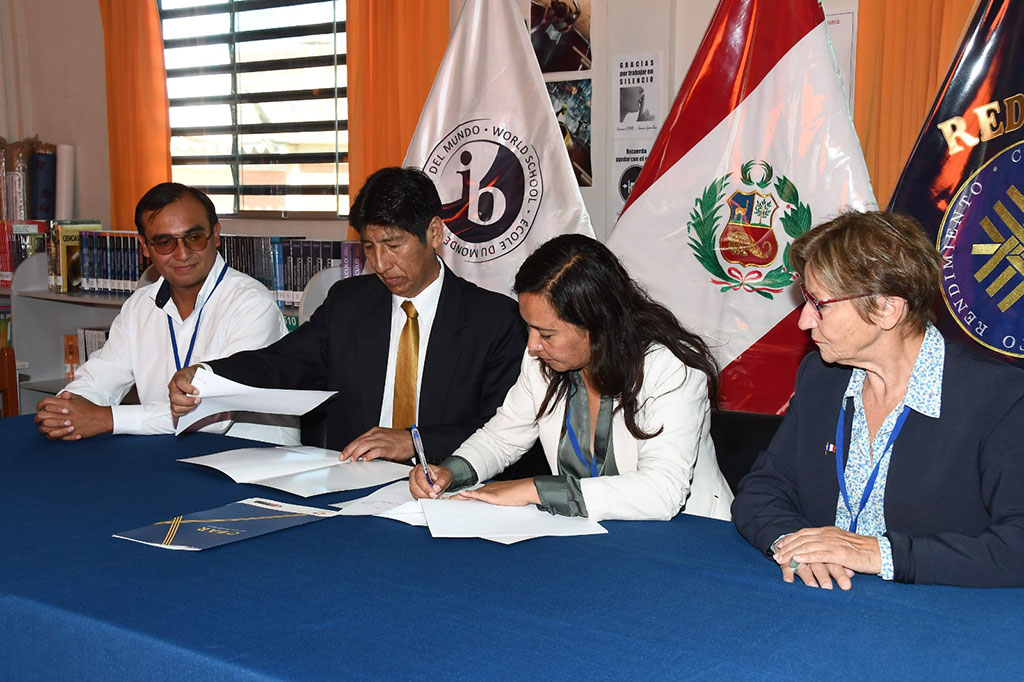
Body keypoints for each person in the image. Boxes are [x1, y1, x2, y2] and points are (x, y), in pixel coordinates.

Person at [732, 211, 1024, 588]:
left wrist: (876, 554)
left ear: (888, 309)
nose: (804, 320)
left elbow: (1017, 544)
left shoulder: (998, 398)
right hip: (820, 604)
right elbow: (761, 490)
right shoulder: (821, 378)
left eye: (821, 304)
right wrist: (799, 547)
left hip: (941, 624)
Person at [168, 166, 530, 465]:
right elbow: (283, 362)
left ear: (434, 232)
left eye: (393, 245)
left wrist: (413, 441)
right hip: (351, 480)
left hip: (445, 482)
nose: (381, 263)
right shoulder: (348, 303)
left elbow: (504, 427)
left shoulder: (495, 320)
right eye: (369, 247)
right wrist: (211, 374)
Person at [410, 234, 733, 522]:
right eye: (530, 328)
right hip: (591, 537)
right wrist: (450, 472)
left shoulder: (669, 368)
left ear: (596, 326)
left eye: (547, 333)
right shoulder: (544, 358)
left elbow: (660, 492)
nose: (533, 346)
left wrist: (534, 490)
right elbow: (502, 437)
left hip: (691, 538)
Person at [34, 183, 298, 444]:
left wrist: (105, 418)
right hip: (167, 455)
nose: (182, 254)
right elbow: (100, 378)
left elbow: (215, 412)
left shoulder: (252, 303)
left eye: (194, 238)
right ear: (145, 247)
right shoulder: (140, 305)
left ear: (216, 235)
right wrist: (65, 409)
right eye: (164, 242)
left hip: (254, 462)